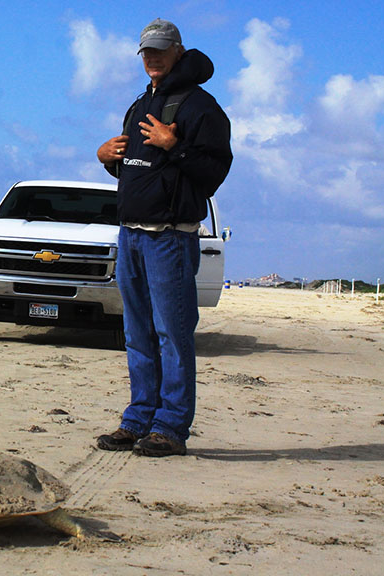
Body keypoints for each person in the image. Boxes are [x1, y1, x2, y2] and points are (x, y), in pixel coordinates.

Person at [95, 18, 232, 457]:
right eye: (146, 52)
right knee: (136, 335)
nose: (152, 58)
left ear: (177, 50)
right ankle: (138, 420)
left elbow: (213, 173)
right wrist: (105, 159)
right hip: (131, 235)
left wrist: (176, 146)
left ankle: (170, 428)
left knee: (173, 334)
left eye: (160, 50)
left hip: (170, 238)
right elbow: (137, 169)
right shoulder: (140, 103)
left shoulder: (201, 107)